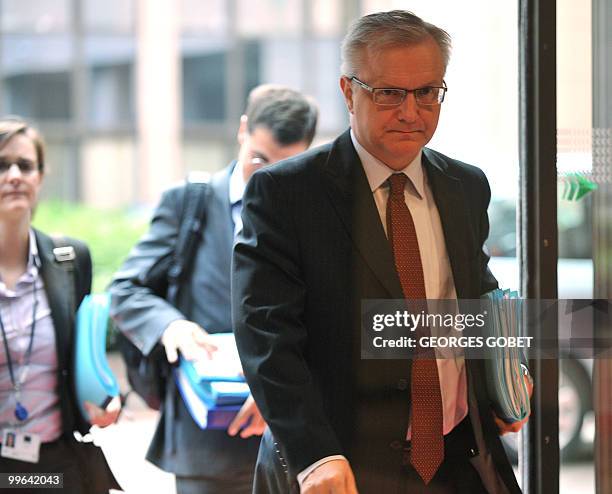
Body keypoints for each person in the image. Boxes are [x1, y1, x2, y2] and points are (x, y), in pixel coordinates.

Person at [232, 11, 530, 494]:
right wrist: (315, 455)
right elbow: (266, 337)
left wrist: (504, 378)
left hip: (461, 459)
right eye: (389, 93)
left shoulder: (466, 186)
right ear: (349, 92)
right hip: (340, 466)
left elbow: (477, 297)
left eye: (428, 92)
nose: (411, 112)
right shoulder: (287, 193)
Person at [109, 85, 318, 494]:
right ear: (243, 131)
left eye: (286, 165)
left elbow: (326, 317)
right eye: (259, 158)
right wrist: (172, 326)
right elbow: (126, 289)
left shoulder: (314, 218)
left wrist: (275, 390)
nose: (268, 176)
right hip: (206, 440)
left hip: (290, 439)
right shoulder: (190, 202)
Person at [0, 118, 121, 493]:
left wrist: (105, 398)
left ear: (40, 176)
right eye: (2, 165)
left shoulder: (69, 260)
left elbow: (84, 356)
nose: (15, 175)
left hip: (54, 465)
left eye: (25, 165)